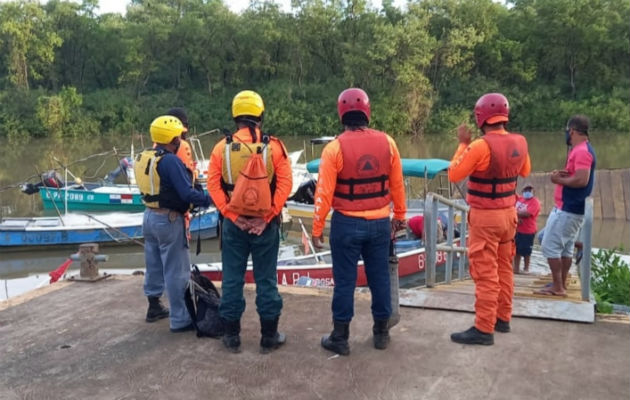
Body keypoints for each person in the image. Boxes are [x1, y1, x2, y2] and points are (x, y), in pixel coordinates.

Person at [311, 88, 407, 356]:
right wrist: (399, 216)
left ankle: (340, 338)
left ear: (342, 115)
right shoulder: (388, 142)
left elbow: (323, 194)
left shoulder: (333, 149)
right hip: (379, 225)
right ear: (367, 112)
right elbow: (397, 184)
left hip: (346, 225)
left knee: (344, 282)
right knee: (379, 279)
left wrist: (316, 229)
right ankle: (381, 334)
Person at [206, 90, 292, 354]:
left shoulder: (222, 148)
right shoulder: (275, 146)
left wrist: (233, 216)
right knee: (266, 280)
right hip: (266, 226)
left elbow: (213, 186)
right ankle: (269, 337)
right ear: (260, 115)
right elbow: (286, 185)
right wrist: (266, 218)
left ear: (235, 117)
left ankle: (231, 337)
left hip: (234, 226)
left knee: (232, 279)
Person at [448, 93, 531, 345]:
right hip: (509, 215)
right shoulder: (520, 142)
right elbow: (525, 170)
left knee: (485, 273)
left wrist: (463, 144)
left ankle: (484, 328)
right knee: (504, 267)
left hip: (486, 217)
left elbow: (454, 174)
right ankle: (503, 318)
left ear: (481, 116)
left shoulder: (480, 146)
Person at [134, 115, 212, 332]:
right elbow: (186, 192)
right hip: (168, 219)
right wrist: (209, 199)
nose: (180, 139)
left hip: (148, 217)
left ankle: (153, 305)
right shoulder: (170, 161)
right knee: (176, 271)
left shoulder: (144, 156)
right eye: (178, 136)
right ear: (173, 139)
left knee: (154, 264)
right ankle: (180, 319)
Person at [537, 115, 595, 297]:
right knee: (565, 247)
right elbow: (576, 175)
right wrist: (561, 176)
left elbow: (581, 179)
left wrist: (557, 179)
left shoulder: (582, 151)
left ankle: (558, 286)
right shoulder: (580, 150)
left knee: (548, 245)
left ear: (572, 131)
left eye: (567, 131)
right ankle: (560, 282)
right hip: (569, 208)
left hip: (569, 208)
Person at [514, 185, 541, 274]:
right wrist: (516, 215)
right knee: (516, 250)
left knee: (526, 251)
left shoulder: (535, 202)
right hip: (517, 230)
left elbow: (527, 213)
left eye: (529, 190)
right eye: (525, 190)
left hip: (528, 231)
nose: (527, 191)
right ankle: (516, 269)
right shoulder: (520, 199)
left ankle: (526, 269)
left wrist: (514, 213)